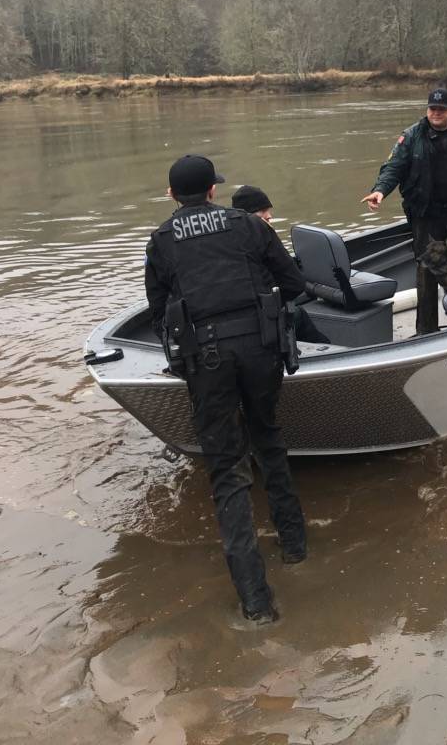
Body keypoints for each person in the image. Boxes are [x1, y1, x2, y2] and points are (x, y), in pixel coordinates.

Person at [145, 155, 308, 625]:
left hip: (207, 360)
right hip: (260, 350)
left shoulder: (161, 241)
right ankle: (295, 548)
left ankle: (257, 603)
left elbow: (159, 316)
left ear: (173, 194)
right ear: (213, 191)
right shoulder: (248, 226)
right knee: (268, 439)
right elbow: (293, 283)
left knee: (226, 470)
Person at [362, 88, 447, 335]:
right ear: (427, 109)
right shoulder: (412, 136)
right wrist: (380, 191)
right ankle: (426, 330)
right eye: (432, 109)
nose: (436, 113)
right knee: (427, 269)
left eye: (442, 109)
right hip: (425, 215)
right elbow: (393, 168)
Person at [231, 184, 330, 345]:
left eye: (269, 210)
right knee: (298, 314)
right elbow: (295, 283)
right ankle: (329, 353)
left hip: (235, 317)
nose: (269, 216)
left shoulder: (224, 241)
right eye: (263, 212)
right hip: (258, 317)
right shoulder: (261, 235)